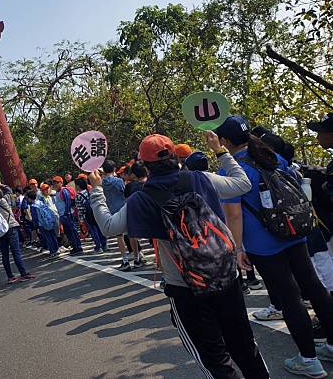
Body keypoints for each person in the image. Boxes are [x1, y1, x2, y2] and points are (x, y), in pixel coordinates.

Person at [89, 132, 270, 379]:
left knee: (213, 358)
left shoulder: (141, 199)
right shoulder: (200, 178)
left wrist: (97, 190)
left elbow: (109, 227)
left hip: (185, 288)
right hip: (225, 277)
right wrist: (220, 151)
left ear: (145, 165)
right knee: (245, 346)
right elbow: (242, 184)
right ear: (174, 155)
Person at [216, 115, 333, 377]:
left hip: (264, 242)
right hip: (295, 231)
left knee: (289, 297)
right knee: (314, 286)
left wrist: (237, 249)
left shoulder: (230, 170)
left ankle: (309, 359)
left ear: (223, 140)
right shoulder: (270, 155)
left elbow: (233, 215)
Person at [0, 186, 35, 284]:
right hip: (10, 228)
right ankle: (23, 274)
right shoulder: (3, 201)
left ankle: (10, 277)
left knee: (4, 255)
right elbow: (9, 190)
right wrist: (1, 184)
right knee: (16, 252)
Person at [101, 160, 132, 269]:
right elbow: (124, 192)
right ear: (114, 169)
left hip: (112, 210)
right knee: (130, 233)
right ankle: (138, 257)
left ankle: (125, 260)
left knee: (119, 237)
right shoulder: (118, 181)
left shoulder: (102, 183)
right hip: (123, 208)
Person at [75, 177, 107, 253]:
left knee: (93, 231)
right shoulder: (88, 191)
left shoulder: (78, 196)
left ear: (78, 186)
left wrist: (81, 220)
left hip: (87, 215)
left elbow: (80, 209)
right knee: (99, 228)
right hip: (95, 212)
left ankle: (98, 247)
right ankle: (104, 244)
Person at [52, 175, 83, 255]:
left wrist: (66, 212)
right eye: (54, 183)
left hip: (67, 214)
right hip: (62, 215)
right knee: (68, 231)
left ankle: (78, 247)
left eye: (57, 182)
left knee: (72, 231)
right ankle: (74, 246)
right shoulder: (57, 193)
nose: (55, 184)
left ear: (61, 183)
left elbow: (68, 202)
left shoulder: (63, 191)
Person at [27, 189, 59, 257]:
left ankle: (53, 252)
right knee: (52, 235)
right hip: (48, 221)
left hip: (41, 224)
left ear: (29, 198)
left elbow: (35, 218)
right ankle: (56, 249)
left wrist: (36, 227)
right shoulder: (40, 202)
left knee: (48, 238)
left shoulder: (33, 206)